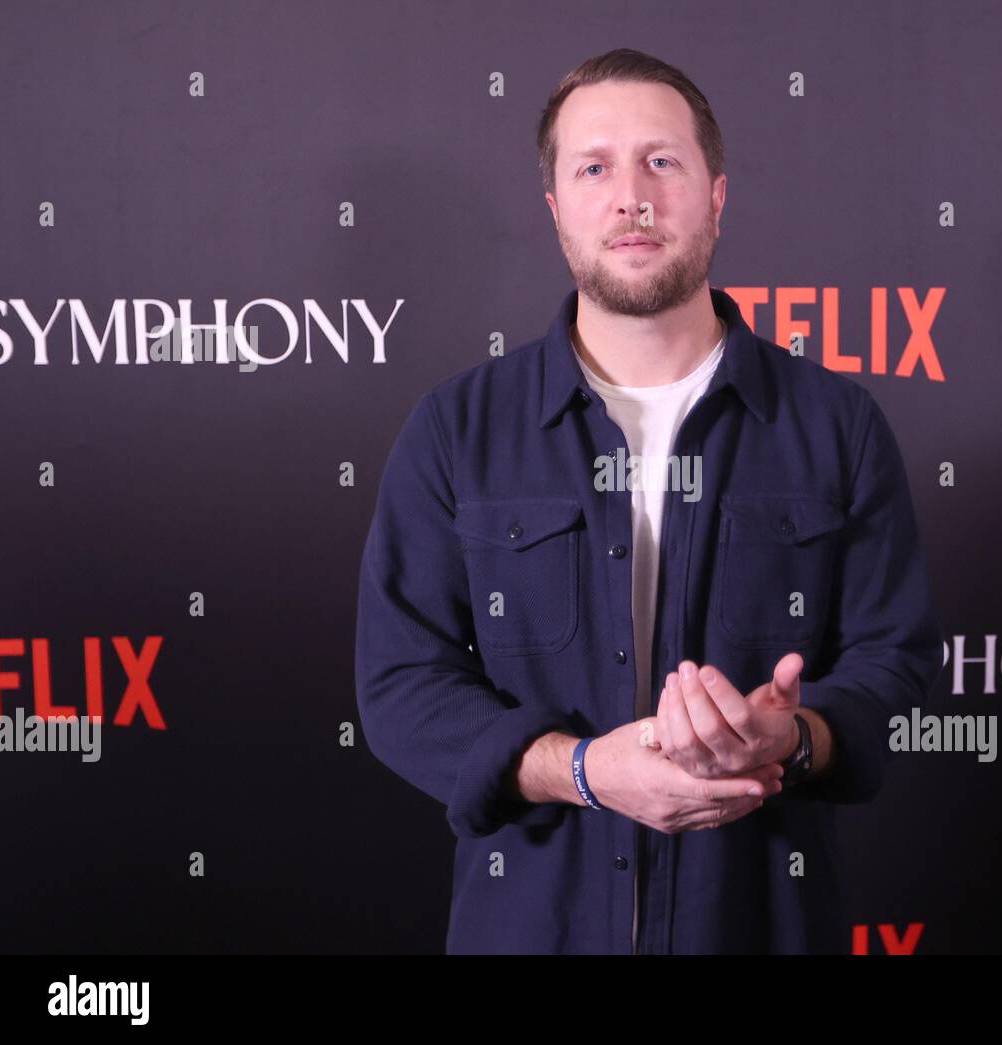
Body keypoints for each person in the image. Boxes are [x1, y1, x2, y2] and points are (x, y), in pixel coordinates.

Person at [354, 47, 943, 954]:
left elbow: (892, 672)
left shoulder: (838, 425)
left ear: (715, 193)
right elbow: (401, 685)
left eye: (662, 161)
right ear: (557, 209)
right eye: (595, 166)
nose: (632, 195)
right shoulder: (455, 429)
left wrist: (791, 740)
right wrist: (583, 770)